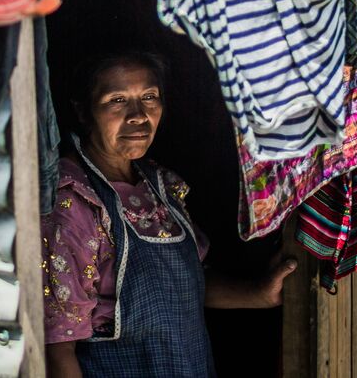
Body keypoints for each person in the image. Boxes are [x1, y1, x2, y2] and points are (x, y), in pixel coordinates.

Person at [42, 51, 297, 378]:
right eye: (117, 100)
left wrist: (257, 294)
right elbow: (59, 345)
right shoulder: (75, 201)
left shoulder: (160, 184)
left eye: (149, 97)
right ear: (84, 110)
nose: (138, 115)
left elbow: (187, 283)